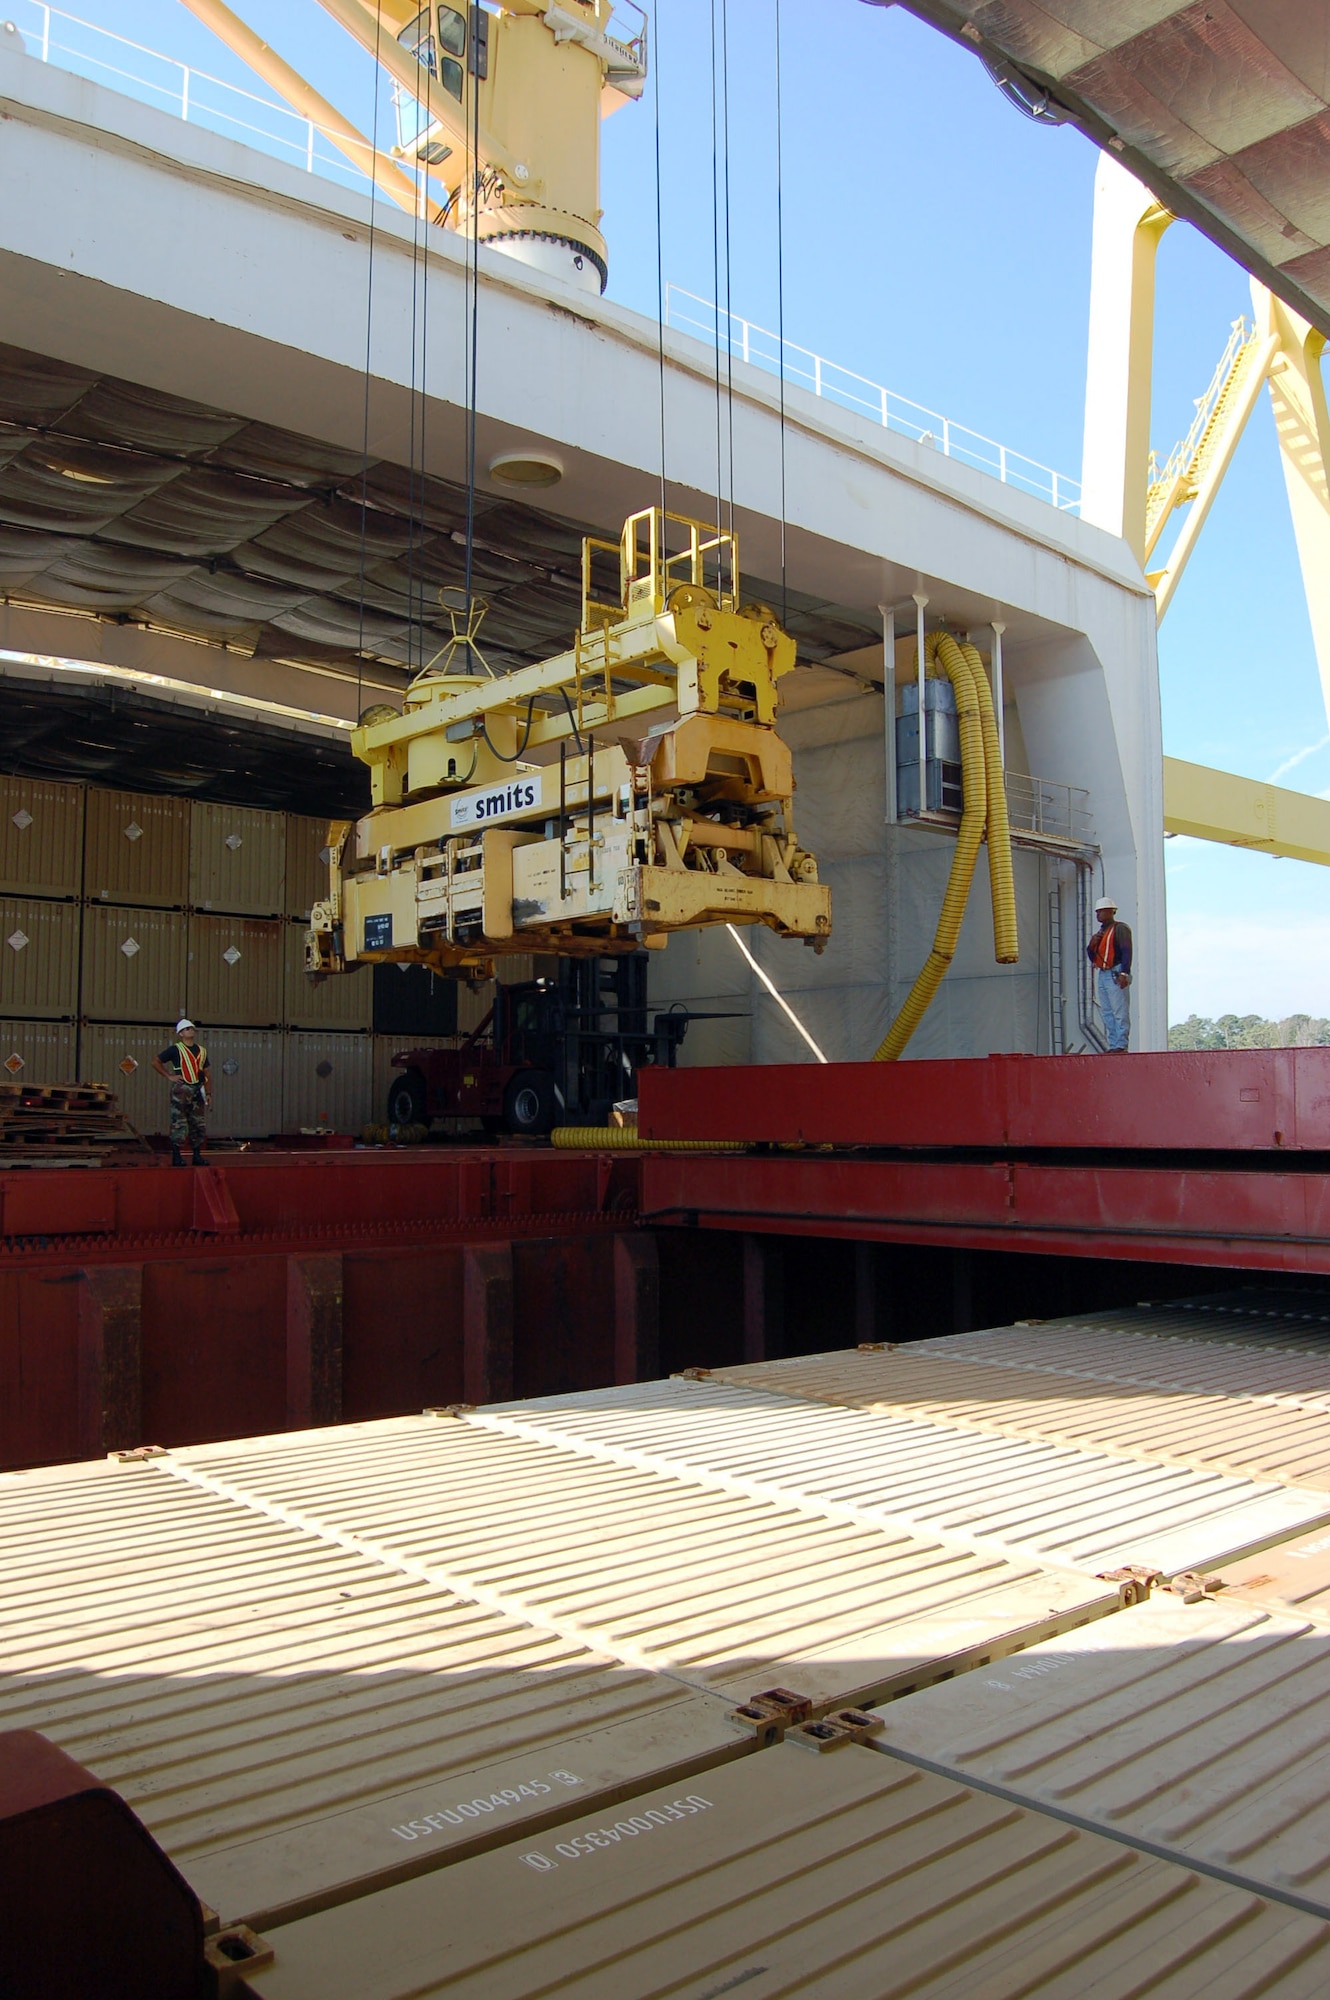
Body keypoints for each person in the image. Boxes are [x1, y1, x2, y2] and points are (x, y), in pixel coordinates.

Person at [152, 1019, 212, 1166]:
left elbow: (207, 1073)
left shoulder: (202, 1051)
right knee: (178, 1122)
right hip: (182, 1089)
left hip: (198, 1088)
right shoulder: (175, 1049)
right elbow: (156, 1061)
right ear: (180, 1034)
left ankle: (197, 1155)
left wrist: (209, 1093)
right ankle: (176, 1156)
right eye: (186, 1029)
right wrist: (169, 1076)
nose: (190, 1030)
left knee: (198, 1123)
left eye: (191, 1028)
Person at [1087, 897, 1132, 1052]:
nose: (1098, 915)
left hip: (1116, 971)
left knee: (1119, 1010)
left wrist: (1124, 972)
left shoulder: (1120, 929)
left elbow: (1126, 951)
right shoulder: (1100, 933)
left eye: (1101, 911)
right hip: (1103, 973)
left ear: (1111, 911)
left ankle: (1121, 1045)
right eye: (1097, 912)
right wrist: (1092, 945)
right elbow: (1093, 956)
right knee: (1107, 1011)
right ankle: (1114, 1045)